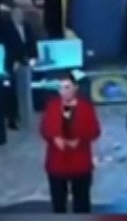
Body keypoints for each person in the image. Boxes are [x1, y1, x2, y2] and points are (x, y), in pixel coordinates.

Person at [40, 73, 101, 213]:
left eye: (67, 87)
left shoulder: (86, 107)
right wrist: (54, 138)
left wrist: (80, 140)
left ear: (75, 88)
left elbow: (95, 131)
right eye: (60, 88)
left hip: (80, 163)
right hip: (57, 163)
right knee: (58, 204)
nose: (63, 91)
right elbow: (44, 129)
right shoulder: (52, 106)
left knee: (82, 204)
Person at [1, 6, 39, 129]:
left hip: (26, 63)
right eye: (17, 14)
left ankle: (25, 117)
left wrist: (33, 57)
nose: (20, 17)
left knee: (25, 91)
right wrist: (15, 60)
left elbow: (32, 42)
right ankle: (12, 118)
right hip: (13, 64)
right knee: (12, 92)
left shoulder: (27, 27)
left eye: (21, 14)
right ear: (12, 16)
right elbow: (7, 46)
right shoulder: (6, 28)